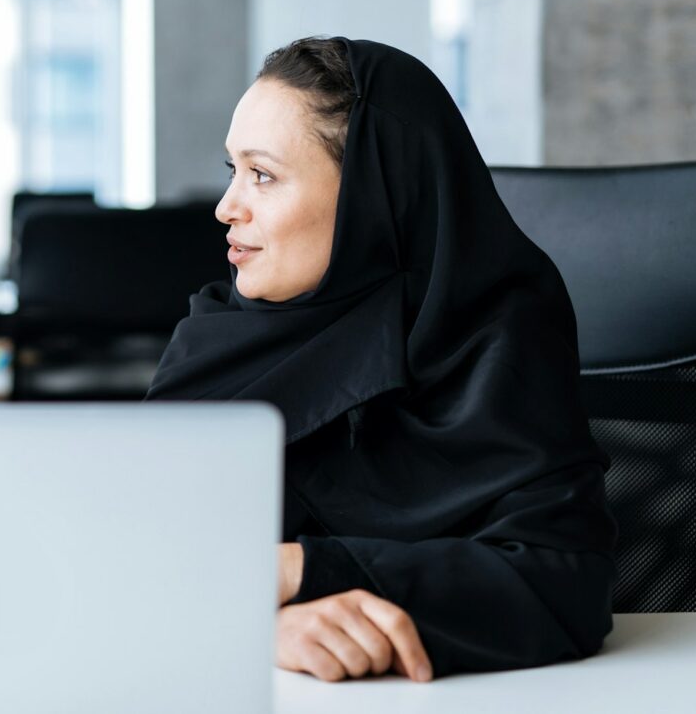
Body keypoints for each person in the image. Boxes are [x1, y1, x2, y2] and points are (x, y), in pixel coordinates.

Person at [147, 37, 616, 682]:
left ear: (375, 194)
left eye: (263, 174)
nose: (227, 206)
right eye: (232, 170)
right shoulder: (218, 340)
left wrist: (298, 571)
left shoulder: (495, 337)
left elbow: (562, 580)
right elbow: (132, 560)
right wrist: (254, 622)